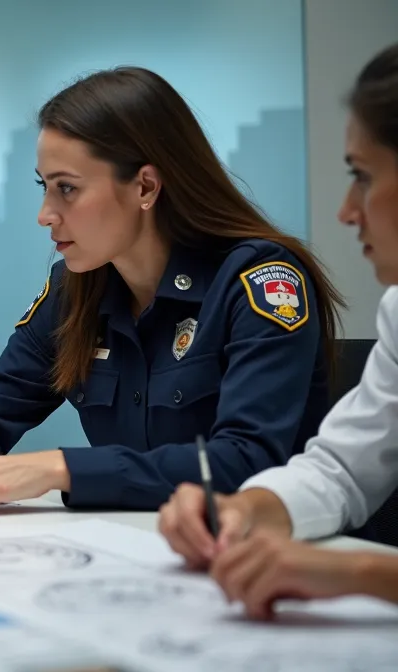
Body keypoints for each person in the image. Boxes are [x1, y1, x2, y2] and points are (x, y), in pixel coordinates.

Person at [0, 66, 345, 515]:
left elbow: (245, 464)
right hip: (143, 548)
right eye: (43, 186)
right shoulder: (76, 290)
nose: (45, 213)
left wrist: (60, 468)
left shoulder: (259, 283)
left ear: (144, 187)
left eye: (67, 189)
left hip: (268, 564)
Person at [158, 43, 398, 620]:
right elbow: (341, 469)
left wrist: (362, 572)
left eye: (362, 177)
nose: (346, 210)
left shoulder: (255, 274)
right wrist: (249, 510)